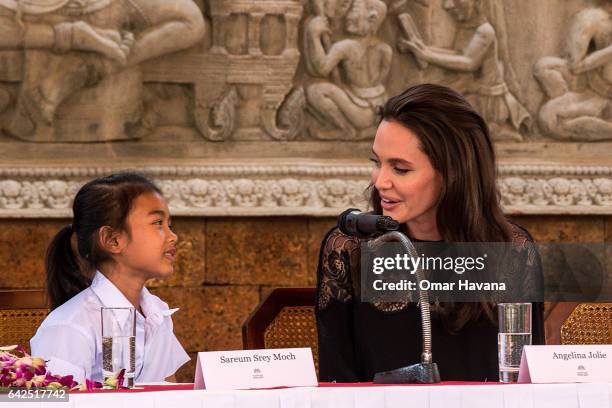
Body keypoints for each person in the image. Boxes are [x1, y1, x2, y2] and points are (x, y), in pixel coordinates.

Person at [315, 84, 544, 382]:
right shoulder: (350, 247)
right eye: (377, 162)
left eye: (400, 168)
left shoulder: (512, 251)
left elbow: (530, 384)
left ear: (452, 173)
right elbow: (338, 384)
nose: (380, 181)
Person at [30, 172, 189, 384]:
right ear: (113, 240)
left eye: (170, 224)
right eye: (158, 223)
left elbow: (170, 393)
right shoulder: (69, 327)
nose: (173, 236)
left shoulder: (157, 313)